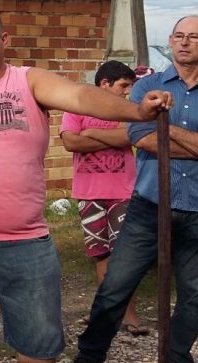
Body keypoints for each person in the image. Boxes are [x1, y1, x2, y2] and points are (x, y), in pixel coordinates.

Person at [0, 6, 171, 363]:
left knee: (37, 347)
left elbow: (80, 96)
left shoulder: (28, 81)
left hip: (24, 242)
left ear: (3, 40)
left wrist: (137, 111)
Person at [65, 15, 198, 363]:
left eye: (193, 37)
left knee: (193, 294)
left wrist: (167, 129)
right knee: (116, 285)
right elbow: (139, 137)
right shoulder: (146, 88)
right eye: (178, 36)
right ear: (170, 40)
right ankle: (89, 358)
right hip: (149, 202)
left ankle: (175, 362)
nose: (184, 43)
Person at [59, 61, 149, 336]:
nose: (127, 92)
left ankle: (130, 315)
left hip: (123, 192)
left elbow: (130, 136)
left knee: (125, 256)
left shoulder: (128, 110)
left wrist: (92, 133)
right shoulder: (77, 107)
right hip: (89, 194)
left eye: (130, 87)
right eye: (123, 86)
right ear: (105, 84)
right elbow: (71, 142)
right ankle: (107, 315)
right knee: (101, 256)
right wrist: (114, 138)